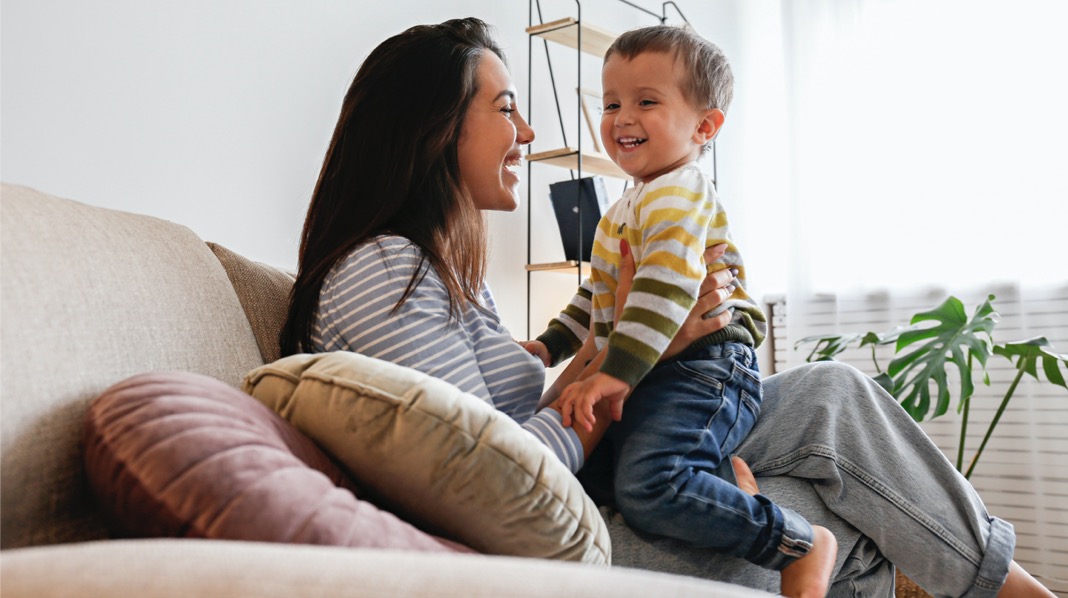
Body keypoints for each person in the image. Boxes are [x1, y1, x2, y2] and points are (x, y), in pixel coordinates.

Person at [279, 17, 1055, 598]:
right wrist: (638, 357)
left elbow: (506, 420)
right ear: (432, 127)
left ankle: (1015, 586)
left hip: (581, 481)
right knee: (828, 513)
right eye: (506, 108)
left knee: (833, 394)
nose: (528, 130)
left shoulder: (445, 272)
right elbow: (491, 479)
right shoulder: (383, 271)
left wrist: (617, 354)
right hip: (540, 538)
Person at [523, 25, 833, 597]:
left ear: (705, 126)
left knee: (650, 483)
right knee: (595, 482)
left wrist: (614, 374)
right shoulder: (624, 207)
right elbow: (598, 297)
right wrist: (548, 345)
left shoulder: (678, 193)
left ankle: (796, 543)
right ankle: (728, 490)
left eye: (646, 101)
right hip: (656, 367)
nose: (621, 117)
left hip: (706, 367)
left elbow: (664, 288)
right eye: (611, 102)